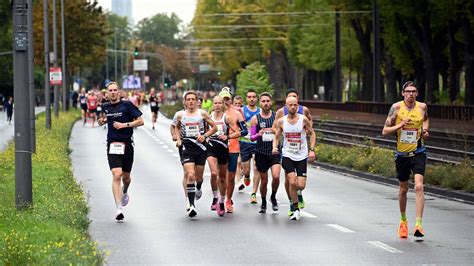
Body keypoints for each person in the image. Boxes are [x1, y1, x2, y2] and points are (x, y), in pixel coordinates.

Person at [382, 81, 429, 238]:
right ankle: (403, 221)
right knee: (403, 189)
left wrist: (426, 130)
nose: (411, 94)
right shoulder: (396, 108)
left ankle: (419, 224)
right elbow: (384, 131)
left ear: (417, 93)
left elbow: (426, 118)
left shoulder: (422, 107)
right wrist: (400, 125)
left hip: (418, 152)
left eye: (414, 91)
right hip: (402, 154)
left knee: (419, 187)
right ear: (403, 93)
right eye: (408, 91)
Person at [97, 82, 144, 221]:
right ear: (107, 93)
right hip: (113, 144)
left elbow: (141, 121)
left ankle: (125, 191)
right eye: (110, 90)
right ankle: (118, 208)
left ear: (119, 92)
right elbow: (101, 120)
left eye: (115, 90)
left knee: (126, 177)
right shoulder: (105, 106)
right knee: (116, 174)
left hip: (127, 144)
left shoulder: (127, 105)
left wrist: (125, 125)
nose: (112, 92)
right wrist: (101, 121)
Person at [174, 90, 217, 218]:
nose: (191, 101)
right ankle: (191, 205)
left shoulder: (202, 114)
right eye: (189, 99)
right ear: (185, 102)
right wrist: (178, 139)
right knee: (190, 175)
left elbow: (214, 128)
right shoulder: (181, 115)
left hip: (200, 148)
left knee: (198, 178)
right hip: (187, 147)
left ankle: (198, 186)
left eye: (193, 99)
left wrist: (204, 136)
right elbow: (176, 127)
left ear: (197, 101)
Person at [273, 96, 316, 221]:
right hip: (287, 154)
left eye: (295, 105)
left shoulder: (303, 120)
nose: (292, 107)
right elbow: (276, 136)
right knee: (291, 181)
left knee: (300, 185)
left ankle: (297, 194)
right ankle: (296, 208)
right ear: (286, 106)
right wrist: (274, 147)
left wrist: (312, 150)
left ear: (298, 106)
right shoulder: (281, 121)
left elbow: (312, 133)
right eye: (290, 105)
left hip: (301, 155)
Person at [206, 95, 240, 216]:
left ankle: (221, 201)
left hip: (223, 149)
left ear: (223, 104)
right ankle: (215, 197)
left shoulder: (227, 118)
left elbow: (238, 132)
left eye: (220, 103)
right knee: (214, 173)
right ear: (212, 105)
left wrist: (228, 136)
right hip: (211, 148)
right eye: (215, 103)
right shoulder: (208, 117)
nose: (217, 105)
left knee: (221, 177)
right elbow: (204, 131)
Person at [249, 92, 280, 213]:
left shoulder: (276, 116)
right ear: (260, 103)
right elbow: (251, 137)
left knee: (276, 176)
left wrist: (275, 131)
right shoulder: (255, 119)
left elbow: (281, 131)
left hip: (274, 151)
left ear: (270, 102)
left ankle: (273, 196)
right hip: (261, 152)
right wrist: (258, 134)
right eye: (263, 101)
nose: (266, 103)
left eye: (268, 101)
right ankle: (263, 201)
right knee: (264, 181)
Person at [220, 90, 247, 213]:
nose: (225, 101)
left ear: (230, 100)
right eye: (223, 99)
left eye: (227, 98)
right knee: (220, 176)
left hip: (233, 147)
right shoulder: (215, 113)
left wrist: (233, 134)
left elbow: (245, 131)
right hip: (218, 148)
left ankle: (228, 200)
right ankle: (220, 198)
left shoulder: (237, 113)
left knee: (230, 177)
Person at [239, 89, 261, 204]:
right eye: (249, 97)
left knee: (257, 167)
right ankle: (246, 176)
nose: (252, 99)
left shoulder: (260, 111)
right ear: (246, 99)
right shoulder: (242, 111)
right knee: (246, 169)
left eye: (254, 96)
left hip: (257, 143)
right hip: (244, 142)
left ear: (256, 98)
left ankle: (254, 193)